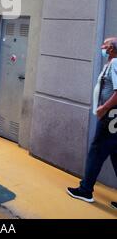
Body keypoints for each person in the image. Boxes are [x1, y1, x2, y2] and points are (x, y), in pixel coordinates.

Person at [67, 37, 117, 208]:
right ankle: (86, 188)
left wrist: (103, 108)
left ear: (111, 48)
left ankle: (85, 190)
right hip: (112, 118)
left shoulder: (116, 63)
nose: (102, 47)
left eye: (105, 44)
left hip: (110, 117)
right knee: (116, 156)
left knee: (96, 152)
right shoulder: (111, 64)